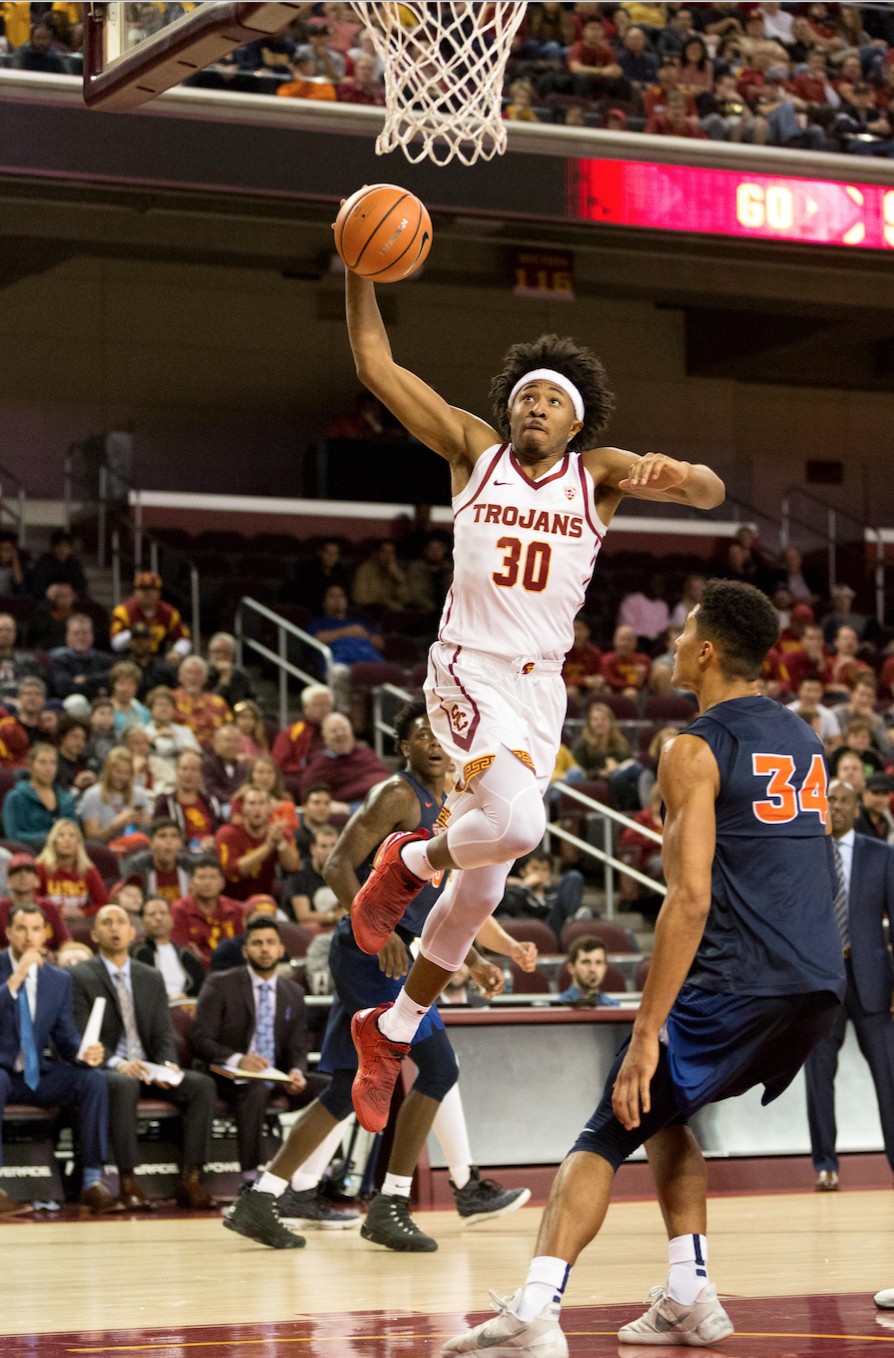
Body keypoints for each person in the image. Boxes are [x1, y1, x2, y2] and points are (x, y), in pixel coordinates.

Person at [340, 266, 723, 1137]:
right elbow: (374, 365)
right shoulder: (475, 453)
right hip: (468, 672)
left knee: (482, 893)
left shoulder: (602, 476)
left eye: (551, 400)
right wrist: (358, 272)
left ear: (577, 418)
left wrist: (684, 474)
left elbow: (708, 492)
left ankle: (389, 1029)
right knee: (518, 830)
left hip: (540, 689)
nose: (535, 409)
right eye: (526, 398)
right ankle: (407, 862)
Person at [444, 580, 844, 1355]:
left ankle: (534, 1309)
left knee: (607, 1127)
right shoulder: (805, 736)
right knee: (666, 1115)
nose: (670, 646)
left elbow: (688, 899)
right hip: (817, 976)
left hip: (740, 975)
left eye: (681, 632)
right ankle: (690, 1295)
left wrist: (646, 1031)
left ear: (704, 650)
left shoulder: (692, 747)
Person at [225, 698, 531, 1251]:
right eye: (424, 735)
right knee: (437, 1070)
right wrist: (380, 929)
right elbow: (336, 864)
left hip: (399, 953)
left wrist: (479, 960)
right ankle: (391, 1202)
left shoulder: (457, 802)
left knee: (347, 1090)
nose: (437, 743)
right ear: (404, 746)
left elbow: (454, 899)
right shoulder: (395, 795)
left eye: (442, 735)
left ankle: (261, 1197)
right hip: (370, 952)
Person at [71, 904, 216, 1210]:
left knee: (202, 1086)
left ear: (131, 932)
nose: (114, 928)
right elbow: (85, 1033)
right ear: (95, 934)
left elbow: (163, 1031)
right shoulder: (80, 976)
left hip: (149, 1066)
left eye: (120, 922)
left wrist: (166, 1065)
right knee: (125, 1084)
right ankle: (127, 1181)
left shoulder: (150, 976)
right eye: (106, 923)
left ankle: (191, 1179)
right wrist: (118, 1062)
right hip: (111, 1067)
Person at [803, 779, 894, 1192]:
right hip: (822, 984)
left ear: (857, 807)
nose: (835, 806)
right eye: (829, 800)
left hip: (873, 981)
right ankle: (825, 1165)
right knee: (818, 1076)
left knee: (889, 1076)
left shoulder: (883, 855)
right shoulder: (806, 854)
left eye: (842, 800)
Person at [0, 902, 114, 1217]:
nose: (28, 936)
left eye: (35, 929)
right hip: (3, 1073)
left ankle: (92, 1181)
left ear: (45, 934)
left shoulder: (58, 979)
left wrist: (83, 1051)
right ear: (9, 932)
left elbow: (65, 1034)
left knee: (92, 1079)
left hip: (37, 1075)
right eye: (21, 929)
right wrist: (17, 976)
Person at [191, 912, 318, 1184]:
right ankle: (252, 1176)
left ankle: (319, 1174)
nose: (264, 948)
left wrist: (297, 1071)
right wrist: (239, 1060)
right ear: (245, 950)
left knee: (329, 1088)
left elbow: (297, 1046)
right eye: (257, 943)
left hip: (276, 1073)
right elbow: (201, 1040)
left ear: (281, 950)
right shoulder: (220, 983)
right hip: (225, 1072)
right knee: (254, 1086)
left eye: (270, 942)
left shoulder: (292, 992)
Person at [215, 786, 300, 903]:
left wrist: (281, 843)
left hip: (265, 902)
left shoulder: (280, 833)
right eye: (252, 803)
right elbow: (231, 871)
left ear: (270, 808)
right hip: (230, 903)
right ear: (243, 808)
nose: (257, 809)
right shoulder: (228, 833)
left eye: (261, 803)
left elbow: (294, 867)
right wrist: (268, 847)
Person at [298, 712, 390, 810]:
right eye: (334, 731)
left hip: (386, 796)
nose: (340, 734)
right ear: (325, 738)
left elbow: (382, 773)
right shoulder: (320, 765)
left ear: (351, 733)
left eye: (344, 729)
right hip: (356, 808)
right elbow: (307, 795)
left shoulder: (365, 753)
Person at [170, 855, 246, 969]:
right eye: (202, 877)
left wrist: (202, 957)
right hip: (194, 974)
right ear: (191, 882)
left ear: (222, 882)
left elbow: (243, 951)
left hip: (233, 973)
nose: (207, 883)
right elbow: (182, 953)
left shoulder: (236, 910)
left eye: (213, 878)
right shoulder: (179, 910)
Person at [2, 743, 78, 851]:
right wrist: (48, 837)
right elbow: (13, 835)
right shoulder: (15, 797)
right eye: (42, 762)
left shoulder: (67, 798)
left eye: (53, 763)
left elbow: (76, 831)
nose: (48, 768)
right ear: (31, 765)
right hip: (30, 854)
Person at [497, 850, 585, 941]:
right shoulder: (515, 892)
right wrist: (524, 886)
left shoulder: (556, 893)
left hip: (557, 928)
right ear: (522, 872)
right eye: (535, 869)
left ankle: (573, 920)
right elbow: (510, 909)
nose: (540, 874)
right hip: (531, 931)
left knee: (573, 877)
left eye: (545, 870)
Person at [133, 894, 206, 1004]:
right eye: (152, 914)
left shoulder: (186, 955)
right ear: (142, 923)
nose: (158, 918)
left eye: (163, 913)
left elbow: (201, 988)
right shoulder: (137, 953)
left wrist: (185, 997)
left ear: (171, 919)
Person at [110, 571, 191, 664]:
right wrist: (137, 633)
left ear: (159, 592)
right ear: (135, 591)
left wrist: (178, 652)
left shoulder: (169, 612)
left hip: (159, 660)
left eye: (152, 589)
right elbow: (115, 643)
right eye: (143, 589)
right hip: (129, 660)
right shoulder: (123, 611)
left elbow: (184, 638)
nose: (147, 594)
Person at [36, 819, 108, 921]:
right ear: (53, 841)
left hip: (81, 922)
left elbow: (103, 904)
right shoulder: (41, 867)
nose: (67, 840)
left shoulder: (88, 869)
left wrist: (83, 913)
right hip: (49, 921)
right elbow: (33, 901)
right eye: (61, 835)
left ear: (78, 843)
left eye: (72, 836)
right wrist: (58, 910)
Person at [152, 748, 222, 852]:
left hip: (211, 850)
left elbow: (221, 829)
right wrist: (193, 843)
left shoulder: (211, 802)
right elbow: (160, 833)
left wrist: (214, 840)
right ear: (177, 772)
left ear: (200, 774)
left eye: (193, 770)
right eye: (184, 769)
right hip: (182, 852)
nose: (188, 774)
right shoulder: (165, 802)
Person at [79, 746, 150, 846]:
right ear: (108, 771)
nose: (122, 777)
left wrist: (146, 822)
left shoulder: (139, 794)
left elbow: (150, 828)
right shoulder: (92, 795)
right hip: (105, 848)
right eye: (118, 772)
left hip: (136, 846)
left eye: (127, 773)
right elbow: (91, 839)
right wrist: (113, 827)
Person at [0, 854, 69, 953]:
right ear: (8, 881)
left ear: (37, 880)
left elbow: (66, 942)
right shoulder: (1, 907)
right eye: (16, 872)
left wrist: (54, 955)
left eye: (28, 871)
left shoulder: (49, 906)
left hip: (46, 961)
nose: (23, 876)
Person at [119, 818, 193, 905]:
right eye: (162, 836)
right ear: (151, 843)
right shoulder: (137, 867)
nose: (168, 841)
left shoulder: (190, 866)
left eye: (174, 836)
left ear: (180, 843)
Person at [282, 824, 342, 926]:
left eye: (333, 846)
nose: (329, 852)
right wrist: (334, 917)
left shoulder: (342, 872)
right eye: (323, 846)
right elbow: (303, 916)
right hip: (301, 931)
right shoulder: (299, 873)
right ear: (313, 849)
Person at [271, 683, 333, 777]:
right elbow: (279, 763)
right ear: (306, 707)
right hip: (303, 777)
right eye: (319, 705)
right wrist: (308, 771)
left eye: (327, 705)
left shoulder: (340, 731)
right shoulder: (292, 732)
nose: (324, 709)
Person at [49, 615, 114, 703]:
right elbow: (64, 689)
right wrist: (98, 690)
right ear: (67, 637)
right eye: (76, 633)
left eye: (85, 633)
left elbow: (113, 678)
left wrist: (87, 679)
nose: (81, 637)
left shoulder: (106, 659)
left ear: (92, 636)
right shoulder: (59, 660)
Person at [229, 755, 298, 837]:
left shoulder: (285, 800)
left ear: (276, 776)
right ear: (251, 775)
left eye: (270, 772)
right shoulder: (240, 798)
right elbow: (237, 829)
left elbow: (290, 833)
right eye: (260, 772)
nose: (265, 777)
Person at [174, 655, 232, 748]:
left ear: (205, 678)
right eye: (189, 672)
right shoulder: (170, 700)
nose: (193, 677)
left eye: (198, 673)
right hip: (180, 751)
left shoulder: (218, 703)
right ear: (180, 677)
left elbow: (231, 731)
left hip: (215, 753)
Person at [0, 676, 53, 766]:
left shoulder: (48, 732)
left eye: (37, 694)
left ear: (43, 700)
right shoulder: (5, 728)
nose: (32, 698)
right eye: (28, 694)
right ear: (19, 698)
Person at [557, 935, 621, 1005]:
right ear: (571, 968)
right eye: (586, 962)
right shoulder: (559, 1009)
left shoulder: (614, 1007)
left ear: (605, 968)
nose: (592, 969)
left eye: (598, 963)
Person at [29, 529, 88, 602]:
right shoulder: (43, 562)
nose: (62, 549)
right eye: (59, 546)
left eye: (66, 546)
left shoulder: (74, 564)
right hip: (47, 601)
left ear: (71, 549)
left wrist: (71, 594)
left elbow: (81, 587)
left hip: (69, 601)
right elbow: (37, 587)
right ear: (52, 547)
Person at [122, 621, 177, 700]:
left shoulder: (163, 668)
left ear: (151, 642)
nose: (140, 643)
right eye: (136, 640)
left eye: (144, 640)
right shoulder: (122, 668)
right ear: (130, 642)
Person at [351, 539, 410, 611]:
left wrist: (399, 579)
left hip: (392, 613)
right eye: (384, 552)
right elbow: (359, 598)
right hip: (370, 611)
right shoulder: (365, 570)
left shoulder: (398, 572)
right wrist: (385, 602)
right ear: (376, 554)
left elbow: (407, 600)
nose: (388, 556)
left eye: (391, 553)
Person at [202, 723, 248, 814]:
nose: (232, 745)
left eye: (236, 741)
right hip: (218, 808)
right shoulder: (208, 765)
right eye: (228, 740)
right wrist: (232, 799)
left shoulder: (243, 767)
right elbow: (210, 789)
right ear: (216, 743)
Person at [0, 613, 45, 705]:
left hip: (26, 704)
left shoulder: (28, 661)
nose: (4, 634)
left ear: (15, 634)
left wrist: (24, 700)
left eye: (9, 630)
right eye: (0, 630)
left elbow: (41, 685)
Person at [206, 632, 256, 709]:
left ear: (232, 655)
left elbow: (243, 702)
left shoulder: (240, 674)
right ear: (209, 653)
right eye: (217, 651)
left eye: (226, 652)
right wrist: (223, 682)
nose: (221, 656)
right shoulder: (203, 673)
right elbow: (210, 706)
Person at [600, 625, 653, 697]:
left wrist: (643, 678)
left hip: (641, 693)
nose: (626, 644)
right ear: (614, 641)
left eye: (630, 640)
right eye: (622, 639)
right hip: (614, 692)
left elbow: (649, 680)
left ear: (636, 643)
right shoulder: (606, 659)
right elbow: (608, 681)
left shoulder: (643, 659)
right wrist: (634, 684)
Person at [54, 715, 96, 794]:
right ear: (62, 737)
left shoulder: (87, 762)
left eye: (83, 739)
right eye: (75, 737)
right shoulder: (53, 762)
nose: (79, 743)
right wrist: (75, 784)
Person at [109, 661, 151, 736]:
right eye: (121, 683)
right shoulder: (106, 710)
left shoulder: (144, 712)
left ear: (136, 687)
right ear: (114, 685)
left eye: (130, 684)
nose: (125, 688)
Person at [855, 774, 894, 843]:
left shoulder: (885, 822)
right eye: (875, 793)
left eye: (885, 793)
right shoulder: (855, 819)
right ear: (864, 794)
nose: (880, 799)